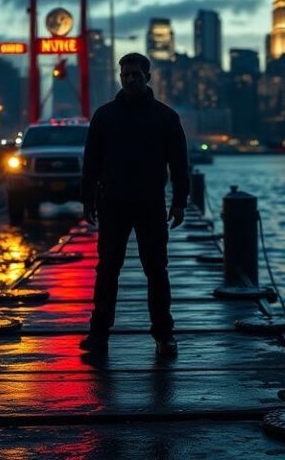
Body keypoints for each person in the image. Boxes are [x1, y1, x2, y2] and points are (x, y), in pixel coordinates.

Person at [79, 52, 189, 356]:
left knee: (156, 270)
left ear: (147, 78)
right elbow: (91, 161)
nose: (130, 79)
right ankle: (99, 334)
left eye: (136, 75)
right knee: (107, 270)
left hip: (150, 203)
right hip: (112, 202)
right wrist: (87, 196)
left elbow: (180, 164)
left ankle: (164, 335)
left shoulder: (166, 118)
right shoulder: (104, 116)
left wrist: (179, 202)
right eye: (125, 74)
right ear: (120, 77)